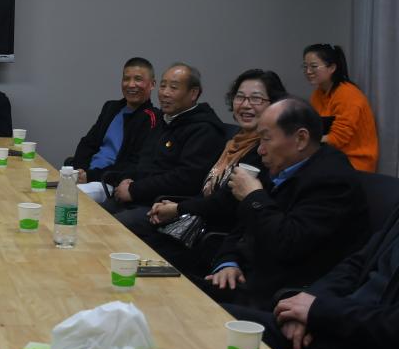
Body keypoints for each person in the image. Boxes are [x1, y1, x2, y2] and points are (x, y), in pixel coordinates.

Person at [226, 204, 399, 349]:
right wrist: (307, 304)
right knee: (215, 321)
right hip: (332, 324)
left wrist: (318, 312)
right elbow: (356, 264)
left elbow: (392, 326)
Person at [205, 97, 369, 309]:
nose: (260, 150)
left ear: (301, 139)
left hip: (282, 297)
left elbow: (288, 244)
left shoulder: (332, 181)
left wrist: (253, 196)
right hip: (243, 279)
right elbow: (242, 227)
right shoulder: (280, 165)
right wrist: (228, 261)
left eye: (266, 139)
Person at [125, 69, 287, 278]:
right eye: (240, 97)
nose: (246, 105)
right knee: (124, 248)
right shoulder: (233, 142)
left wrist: (177, 208)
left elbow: (226, 203)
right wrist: (174, 205)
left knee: (135, 261)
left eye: (256, 99)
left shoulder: (264, 151)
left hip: (213, 239)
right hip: (194, 225)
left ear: (274, 105)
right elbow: (205, 190)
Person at [101, 63, 225, 214]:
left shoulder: (204, 129)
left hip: (163, 206)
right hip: (138, 196)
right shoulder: (162, 121)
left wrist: (134, 190)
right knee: (90, 214)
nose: (165, 93)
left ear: (193, 93)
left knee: (110, 224)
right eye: (163, 86)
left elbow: (185, 179)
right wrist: (126, 179)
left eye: (173, 87)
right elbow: (141, 160)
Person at [69, 57, 159, 194]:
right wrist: (80, 170)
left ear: (152, 84)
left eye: (138, 79)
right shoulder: (111, 108)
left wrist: (90, 176)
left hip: (109, 182)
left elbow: (134, 165)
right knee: (47, 186)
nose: (131, 84)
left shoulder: (152, 118)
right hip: (86, 175)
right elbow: (88, 143)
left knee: (70, 195)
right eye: (126, 79)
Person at [303, 43, 379, 172]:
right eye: (305, 67)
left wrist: (306, 141)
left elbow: (337, 139)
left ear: (332, 68)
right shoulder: (317, 94)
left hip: (355, 162)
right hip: (331, 156)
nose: (308, 71)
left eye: (314, 66)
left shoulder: (348, 94)